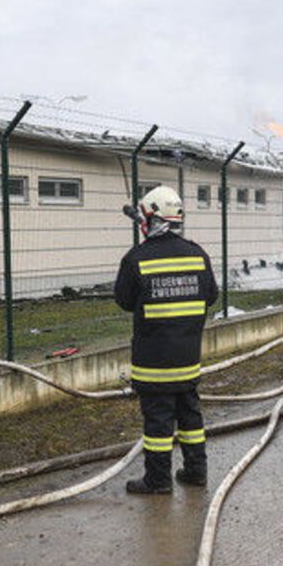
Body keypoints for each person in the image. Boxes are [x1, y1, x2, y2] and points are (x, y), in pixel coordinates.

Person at [114, 186, 218, 494]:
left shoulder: (136, 258)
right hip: (188, 359)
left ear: (150, 218)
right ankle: (196, 471)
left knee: (158, 424)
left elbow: (124, 300)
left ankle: (158, 481)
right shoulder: (198, 254)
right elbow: (211, 295)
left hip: (154, 362)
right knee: (190, 417)